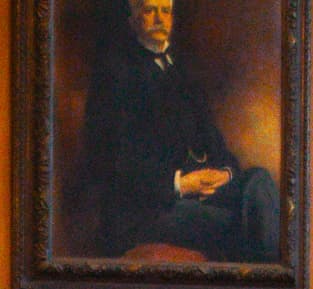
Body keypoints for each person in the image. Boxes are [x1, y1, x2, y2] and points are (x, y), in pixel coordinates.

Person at [79, 0, 281, 262]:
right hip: (146, 209)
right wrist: (180, 184)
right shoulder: (114, 74)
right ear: (133, 19)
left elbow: (214, 142)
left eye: (166, 11)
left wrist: (223, 174)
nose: (160, 19)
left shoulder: (182, 70)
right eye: (150, 11)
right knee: (240, 222)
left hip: (195, 192)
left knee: (258, 181)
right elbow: (109, 163)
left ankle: (272, 283)